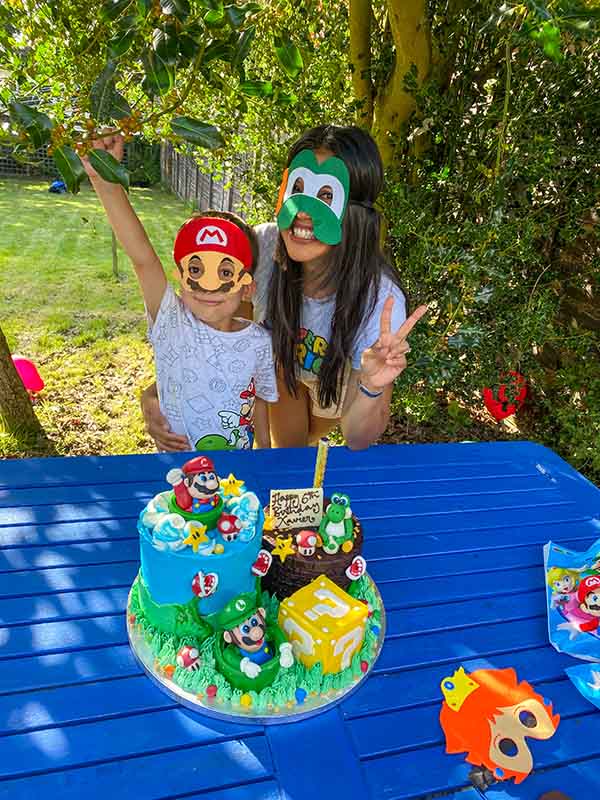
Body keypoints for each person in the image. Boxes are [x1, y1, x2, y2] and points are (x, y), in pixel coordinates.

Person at [142, 125, 428, 451]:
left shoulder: (380, 298)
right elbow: (207, 337)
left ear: (356, 214)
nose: (303, 213)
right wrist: (157, 391)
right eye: (298, 188)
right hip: (279, 373)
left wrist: (373, 385)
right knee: (286, 453)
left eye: (325, 195)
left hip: (336, 379)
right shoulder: (260, 247)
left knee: (295, 452)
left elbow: (357, 437)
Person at [83, 135, 278, 451]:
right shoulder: (170, 320)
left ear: (247, 288)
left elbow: (258, 402)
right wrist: (105, 180)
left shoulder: (257, 340)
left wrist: (264, 456)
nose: (208, 285)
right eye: (197, 269)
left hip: (236, 483)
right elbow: (143, 257)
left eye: (225, 272)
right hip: (178, 482)